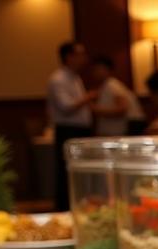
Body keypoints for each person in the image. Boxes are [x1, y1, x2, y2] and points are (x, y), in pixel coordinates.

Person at [47, 41, 97, 210]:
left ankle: (79, 206)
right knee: (66, 171)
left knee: (79, 171)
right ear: (69, 57)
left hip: (80, 130)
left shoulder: (75, 77)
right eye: (80, 54)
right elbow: (65, 107)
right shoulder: (58, 79)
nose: (84, 58)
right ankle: (64, 209)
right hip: (68, 130)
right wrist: (88, 97)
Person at [91, 57, 146, 137]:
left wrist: (96, 110)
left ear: (105, 69)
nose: (94, 73)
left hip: (122, 130)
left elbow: (122, 108)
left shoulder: (112, 85)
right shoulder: (107, 85)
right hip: (120, 130)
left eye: (96, 69)